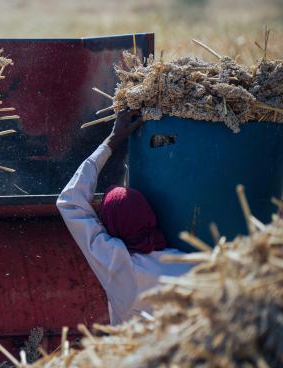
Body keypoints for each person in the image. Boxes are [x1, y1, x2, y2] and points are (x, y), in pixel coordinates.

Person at [56, 110, 192, 325]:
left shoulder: (118, 263)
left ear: (113, 226)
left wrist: (112, 140)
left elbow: (70, 202)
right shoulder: (187, 264)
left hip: (135, 357)